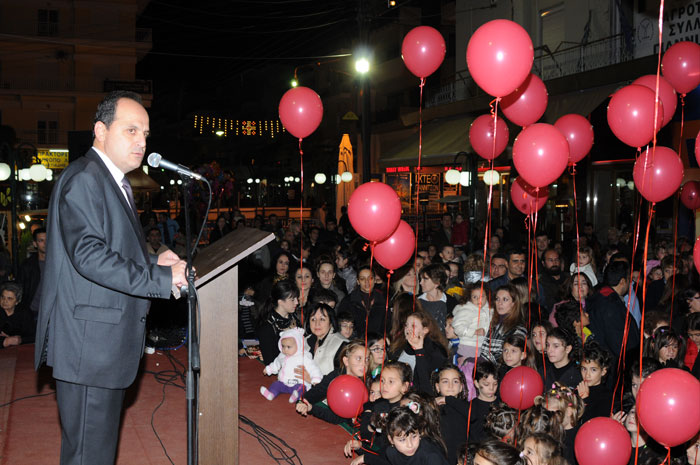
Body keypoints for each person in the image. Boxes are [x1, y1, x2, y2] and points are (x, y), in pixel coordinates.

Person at [33, 91, 187, 465]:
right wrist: (161, 280)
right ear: (100, 130)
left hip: (100, 345)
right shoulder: (87, 178)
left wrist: (154, 258)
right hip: (91, 348)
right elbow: (88, 254)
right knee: (89, 455)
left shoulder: (110, 179)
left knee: (95, 453)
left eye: (146, 133)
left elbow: (108, 247)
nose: (142, 141)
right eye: (131, 129)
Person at [260, 327, 322, 403]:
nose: (285, 349)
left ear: (298, 344)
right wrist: (269, 369)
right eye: (283, 346)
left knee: (301, 388)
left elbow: (313, 368)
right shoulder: (282, 355)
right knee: (276, 384)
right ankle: (271, 394)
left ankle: (295, 396)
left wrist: (316, 379)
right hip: (284, 383)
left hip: (298, 383)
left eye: (289, 347)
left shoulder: (304, 357)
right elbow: (276, 363)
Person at [479, 284, 527, 364]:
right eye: (497, 299)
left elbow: (508, 357)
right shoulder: (490, 321)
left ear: (513, 303)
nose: (500, 303)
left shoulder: (518, 328)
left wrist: (478, 360)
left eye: (505, 299)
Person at [431, 363, 469, 465]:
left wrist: (448, 399)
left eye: (455, 381)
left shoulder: (466, 407)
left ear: (461, 387)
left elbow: (472, 415)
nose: (451, 386)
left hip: (462, 459)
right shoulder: (433, 408)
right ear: (437, 387)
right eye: (445, 381)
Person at [256, 280, 300, 365]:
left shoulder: (296, 318)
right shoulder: (267, 327)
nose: (297, 302)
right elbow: (270, 361)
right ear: (280, 301)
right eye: (292, 299)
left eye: (297, 298)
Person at [18, 227, 47, 325]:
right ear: (35, 244)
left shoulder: (58, 264)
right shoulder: (27, 265)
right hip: (33, 311)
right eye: (41, 240)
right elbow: (20, 288)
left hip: (54, 311)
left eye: (47, 240)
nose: (45, 243)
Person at [417, 263, 458, 332]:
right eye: (421, 279)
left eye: (425, 279)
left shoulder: (451, 302)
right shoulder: (416, 301)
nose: (421, 282)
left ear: (437, 282)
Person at [0, 282, 34, 348]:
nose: (4, 301)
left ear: (17, 301)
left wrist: (19, 340)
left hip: (19, 350)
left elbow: (33, 336)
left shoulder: (24, 313)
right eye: (2, 297)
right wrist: (6, 341)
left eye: (9, 298)